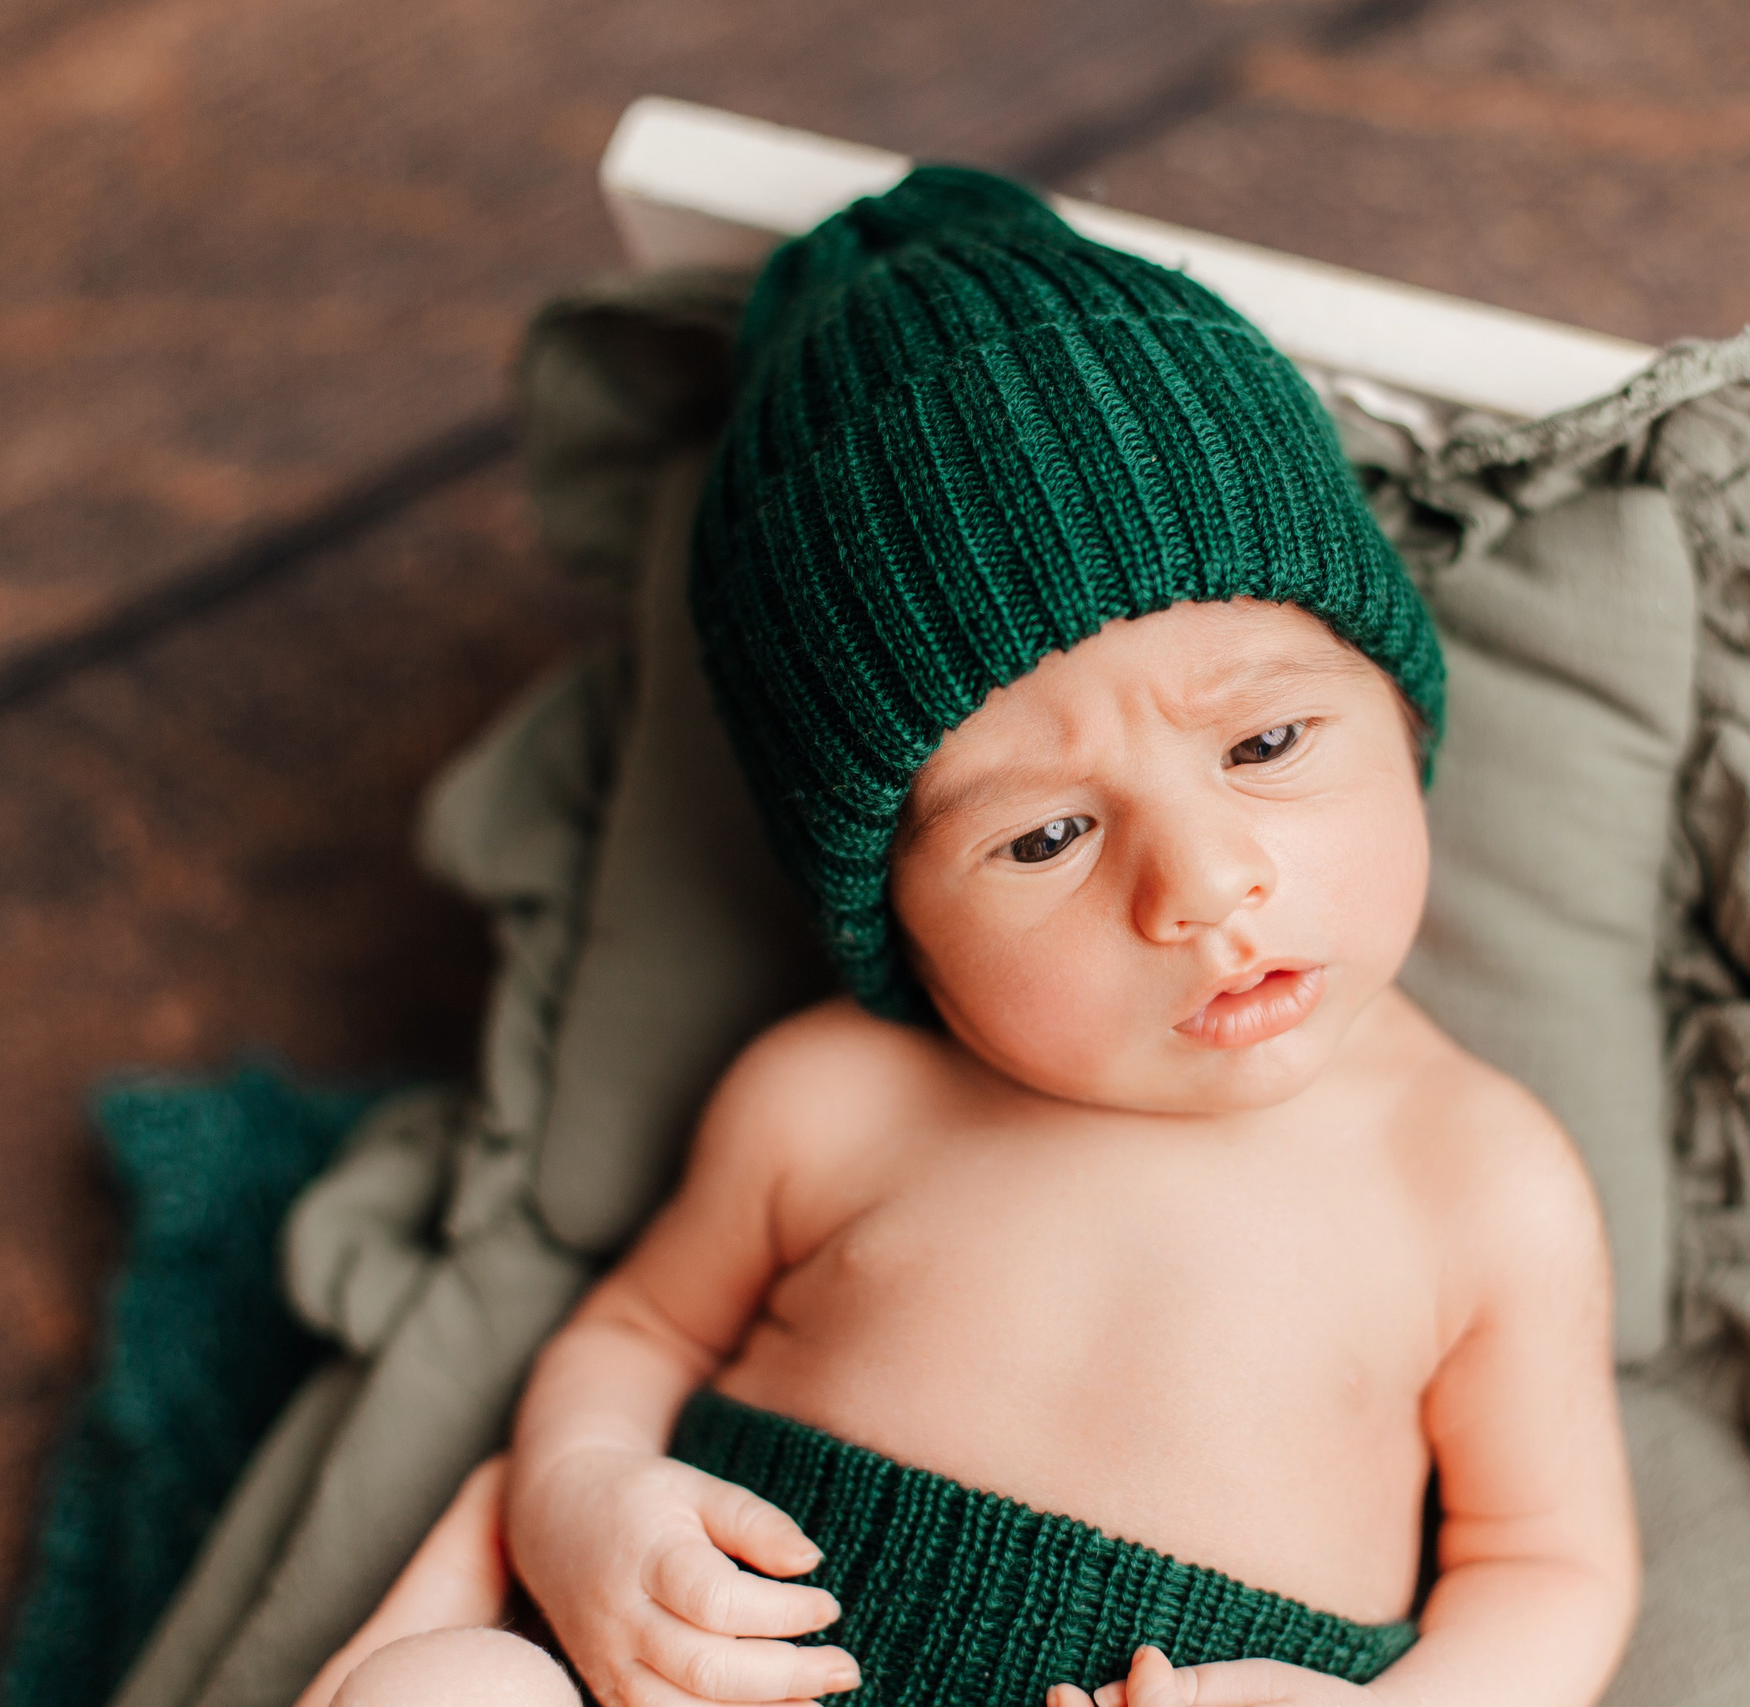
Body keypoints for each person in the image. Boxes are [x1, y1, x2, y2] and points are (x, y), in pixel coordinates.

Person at [297, 164, 1638, 1707]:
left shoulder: (1481, 1177)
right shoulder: (831, 1098)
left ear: (1402, 716)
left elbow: (1551, 1566)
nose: (1201, 882)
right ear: (895, 919)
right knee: (449, 1688)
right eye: (1046, 836)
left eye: (1265, 746)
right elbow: (634, 1332)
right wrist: (584, 1505)